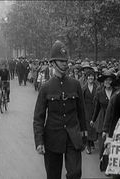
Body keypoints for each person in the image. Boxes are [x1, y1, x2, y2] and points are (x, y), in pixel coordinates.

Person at [33, 40, 87, 179]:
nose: (64, 63)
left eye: (66, 60)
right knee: (53, 175)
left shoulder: (75, 85)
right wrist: (39, 141)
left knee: (75, 173)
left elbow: (81, 111)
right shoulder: (45, 87)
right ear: (53, 63)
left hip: (73, 136)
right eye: (61, 60)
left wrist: (84, 133)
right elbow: (38, 117)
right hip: (52, 138)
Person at [90, 70, 117, 158]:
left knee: (114, 141)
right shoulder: (99, 93)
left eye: (109, 80)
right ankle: (103, 160)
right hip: (102, 119)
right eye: (106, 80)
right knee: (102, 142)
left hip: (114, 119)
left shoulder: (117, 92)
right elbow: (97, 108)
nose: (108, 82)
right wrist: (93, 119)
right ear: (103, 82)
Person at [82, 69, 98, 154]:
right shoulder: (84, 88)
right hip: (86, 109)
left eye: (92, 76)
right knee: (88, 127)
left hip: (95, 109)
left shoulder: (97, 87)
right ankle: (88, 145)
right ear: (86, 78)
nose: (91, 78)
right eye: (89, 76)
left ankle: (92, 141)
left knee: (94, 126)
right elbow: (81, 100)